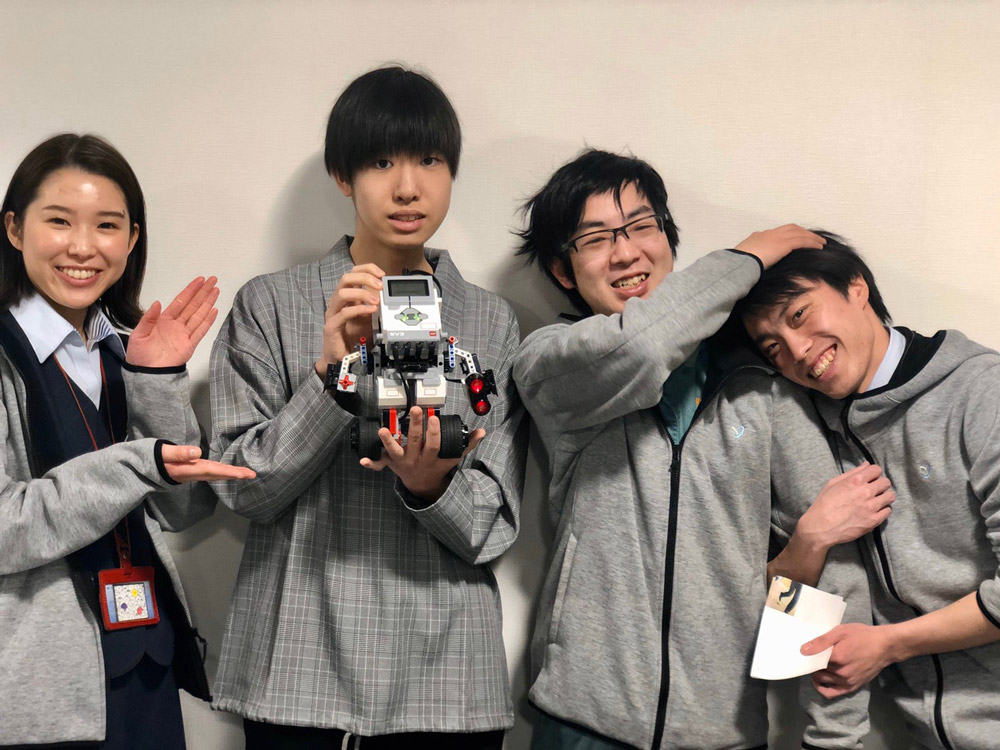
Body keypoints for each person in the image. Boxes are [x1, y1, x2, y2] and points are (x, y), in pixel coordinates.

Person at [513, 149, 888, 750]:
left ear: (667, 236)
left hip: (721, 732)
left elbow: (833, 571)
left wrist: (835, 736)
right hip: (581, 720)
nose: (626, 253)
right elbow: (638, 349)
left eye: (641, 226)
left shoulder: (760, 383)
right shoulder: (551, 364)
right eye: (596, 239)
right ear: (563, 270)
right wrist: (747, 258)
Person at [209, 66, 526, 749]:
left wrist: (430, 484)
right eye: (381, 162)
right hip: (299, 668)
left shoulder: (490, 321)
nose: (408, 186)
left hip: (445, 679)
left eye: (429, 160)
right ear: (342, 175)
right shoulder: (270, 305)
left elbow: (493, 526)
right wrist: (332, 379)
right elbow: (241, 490)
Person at [0, 133, 254, 748]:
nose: (83, 246)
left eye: (107, 225)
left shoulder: (126, 347)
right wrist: (142, 463)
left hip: (146, 660)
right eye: (59, 220)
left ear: (132, 239)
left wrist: (157, 380)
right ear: (14, 229)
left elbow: (183, 509)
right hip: (39, 689)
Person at [740, 233, 1000, 750]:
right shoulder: (803, 429)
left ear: (856, 287)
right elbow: (777, 625)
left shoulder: (981, 391)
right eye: (773, 347)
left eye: (799, 315)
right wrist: (809, 540)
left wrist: (889, 644)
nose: (797, 350)